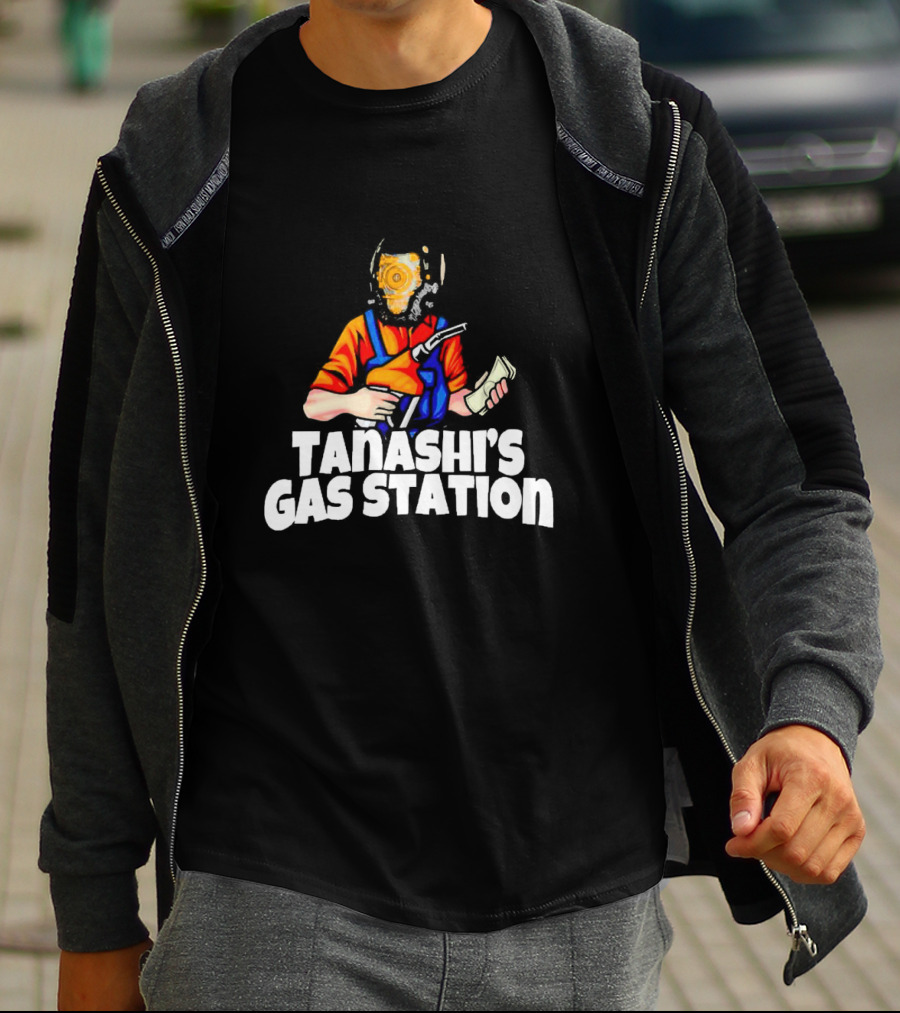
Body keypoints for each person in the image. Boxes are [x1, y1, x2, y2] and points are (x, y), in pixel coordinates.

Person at [41, 0, 880, 1010]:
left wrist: (813, 716)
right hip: (270, 895)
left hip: (580, 902)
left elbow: (797, 480)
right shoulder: (176, 165)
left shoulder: (636, 138)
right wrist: (93, 908)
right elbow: (89, 559)